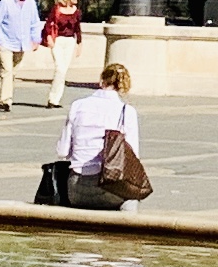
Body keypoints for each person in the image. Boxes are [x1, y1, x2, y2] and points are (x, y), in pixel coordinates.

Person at [51, 61, 146, 211]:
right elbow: (133, 156)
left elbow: (62, 151)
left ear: (101, 81)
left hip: (75, 189)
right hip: (108, 187)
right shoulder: (126, 111)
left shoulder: (78, 105)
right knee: (133, 197)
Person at [0, 0, 42, 112]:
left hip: (21, 43)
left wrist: (36, 39)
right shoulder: (6, 2)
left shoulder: (31, 2)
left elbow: (35, 22)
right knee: (7, 71)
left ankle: (2, 99)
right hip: (5, 42)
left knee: (13, 72)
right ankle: (6, 100)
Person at [41, 0, 84, 106]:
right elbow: (49, 24)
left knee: (64, 70)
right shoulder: (57, 9)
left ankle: (56, 99)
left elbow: (77, 28)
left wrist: (79, 43)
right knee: (60, 68)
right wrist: (49, 37)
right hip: (58, 40)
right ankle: (52, 98)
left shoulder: (76, 11)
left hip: (70, 41)